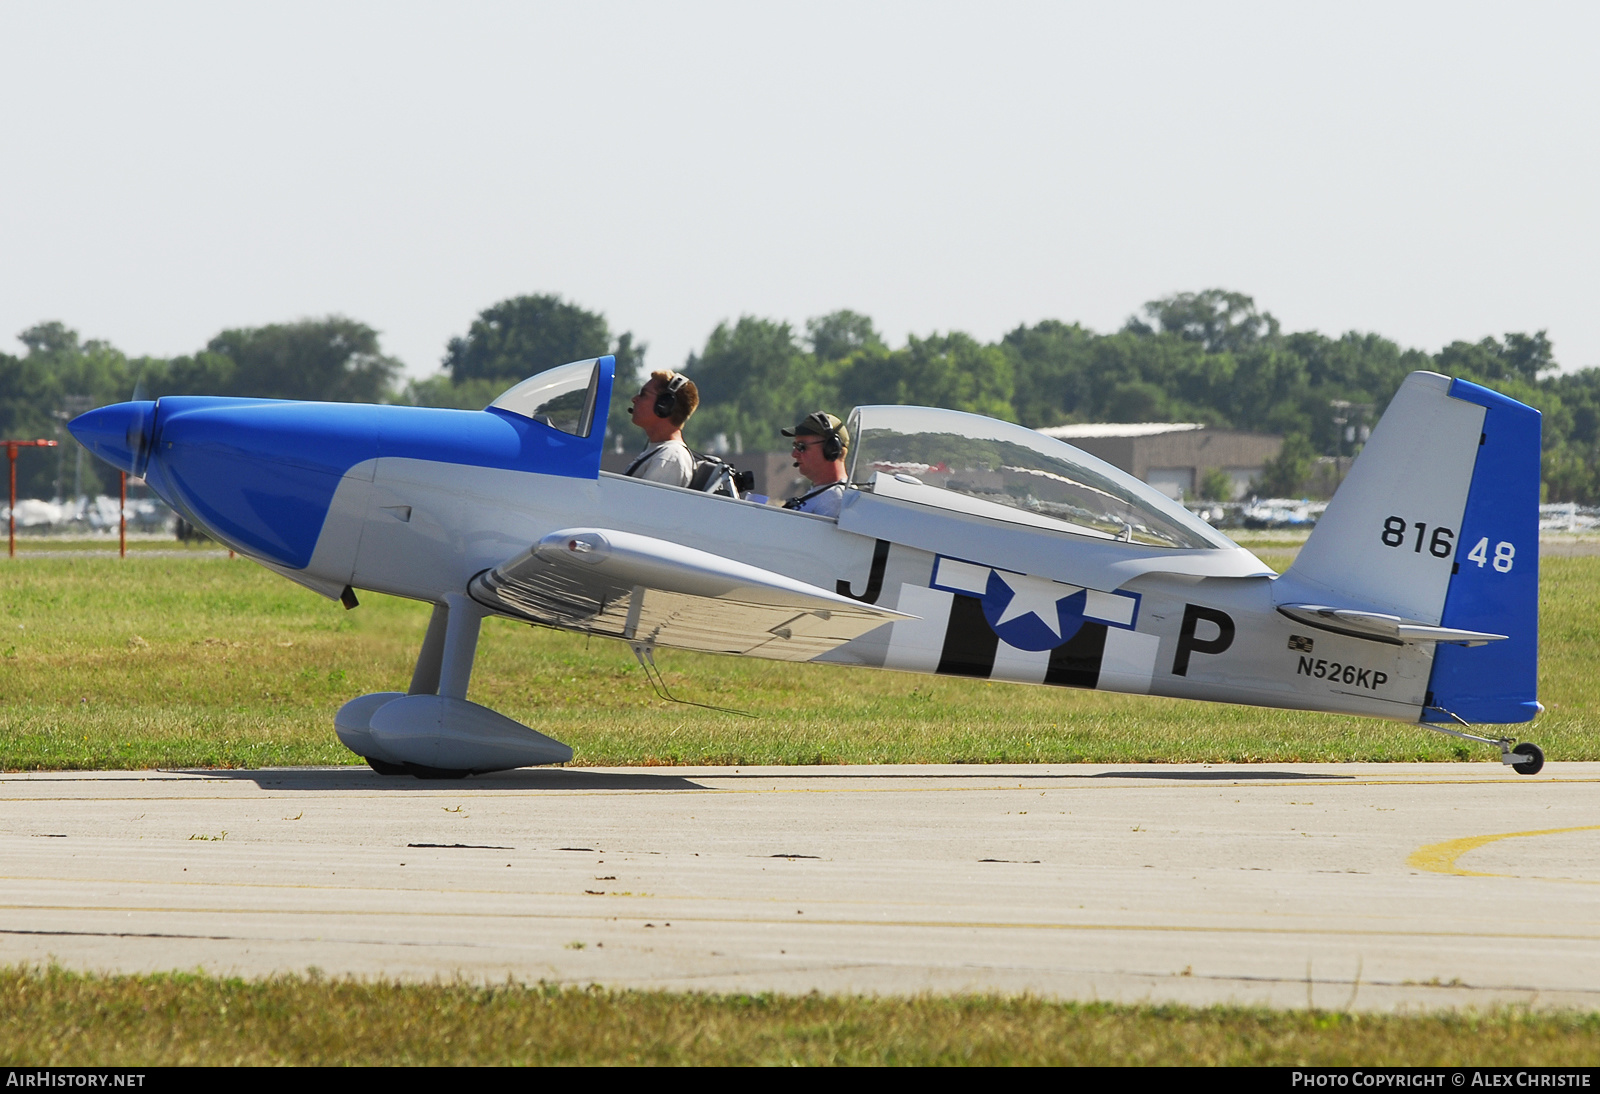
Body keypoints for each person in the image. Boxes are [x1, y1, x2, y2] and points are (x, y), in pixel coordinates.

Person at [624, 370, 699, 487]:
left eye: (643, 394)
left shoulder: (669, 458)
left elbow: (642, 504)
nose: (634, 399)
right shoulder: (661, 453)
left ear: (664, 405)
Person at [781, 412, 850, 518]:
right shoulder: (825, 495)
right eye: (795, 446)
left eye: (801, 446)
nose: (794, 454)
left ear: (831, 449)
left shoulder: (835, 500)